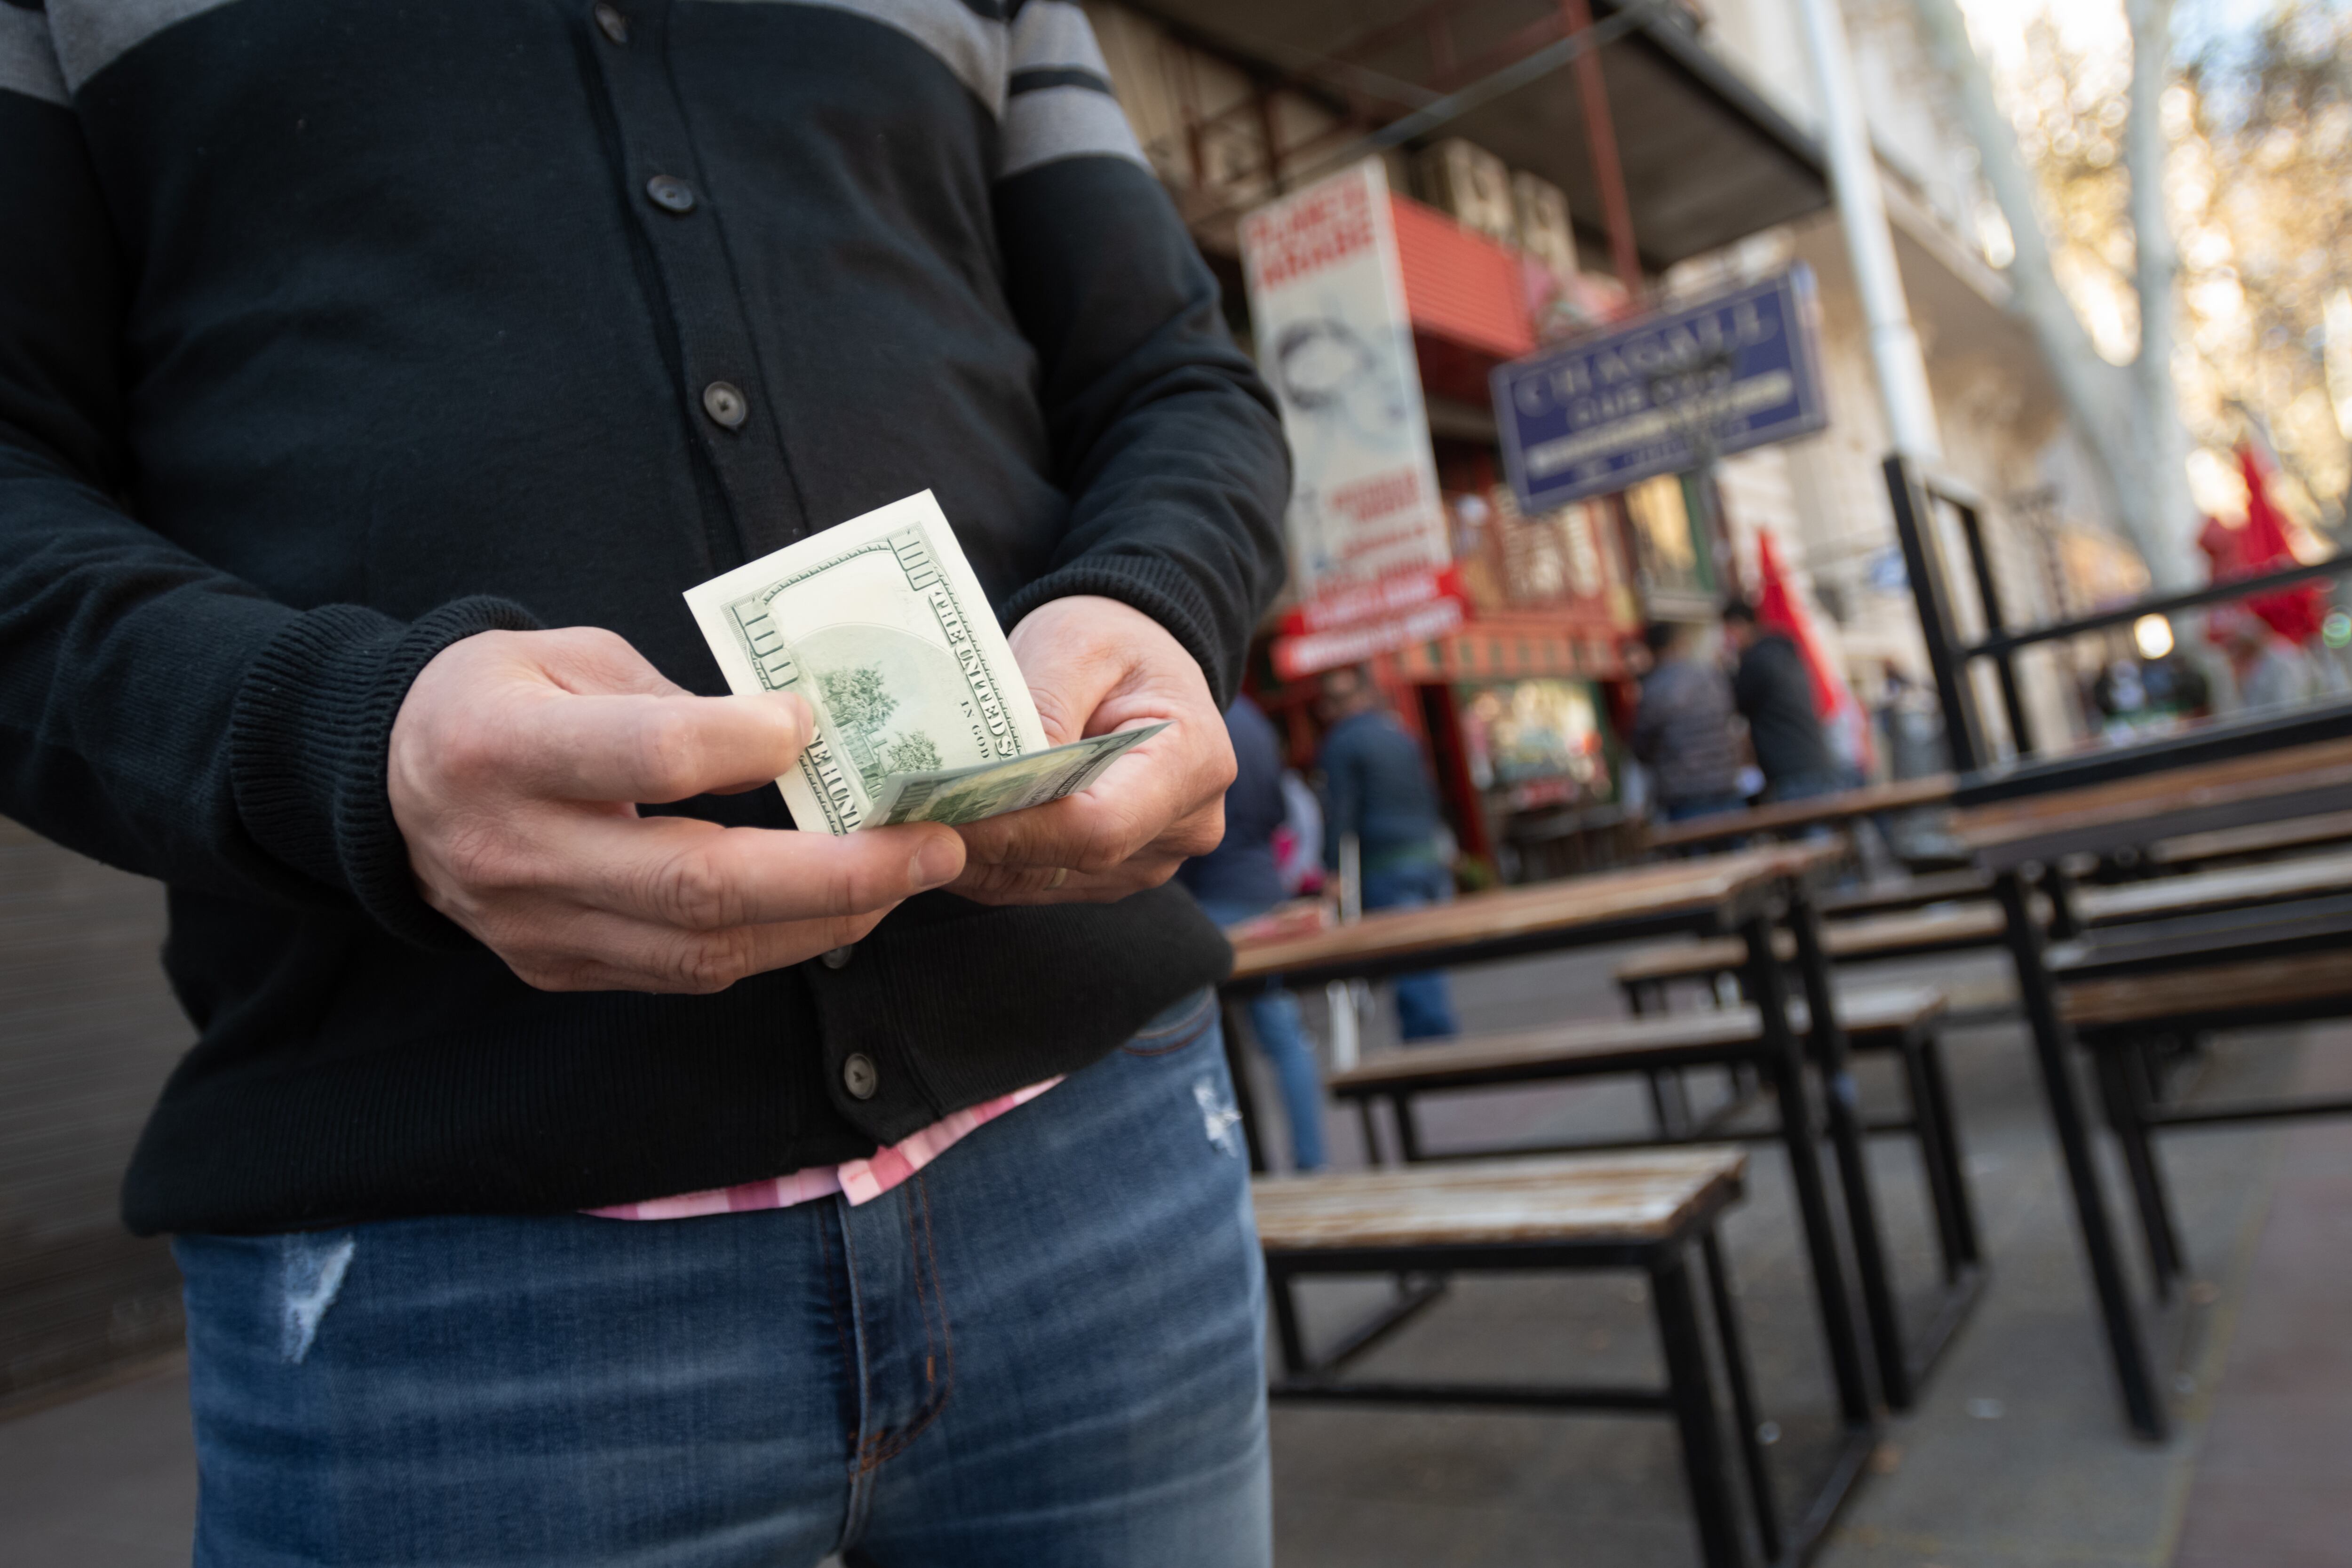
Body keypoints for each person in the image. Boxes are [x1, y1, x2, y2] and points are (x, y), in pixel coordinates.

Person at [0, 9, 1290, 1565]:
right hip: (449, 1308)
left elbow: (1173, 373)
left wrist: (1155, 601)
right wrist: (345, 741)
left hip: (1104, 1176)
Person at [1180, 697, 1327, 1171]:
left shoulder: (1185, 709)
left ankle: (1244, 1172)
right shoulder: (1252, 719)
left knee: (1211, 1046)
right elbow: (1280, 810)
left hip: (1209, 898)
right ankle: (1311, 1164)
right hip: (1261, 885)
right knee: (1284, 1038)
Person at [1316, 667, 1459, 1041]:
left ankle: (1431, 1045)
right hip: (1426, 852)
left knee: (1409, 957)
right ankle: (1429, 1036)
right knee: (1422, 954)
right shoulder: (1398, 733)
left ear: (1332, 704)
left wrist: (1333, 870)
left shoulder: (1342, 742)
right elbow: (1429, 791)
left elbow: (1341, 811)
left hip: (1387, 861)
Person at [1722, 598, 1843, 802]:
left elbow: (1736, 702)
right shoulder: (1783, 654)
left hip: (1789, 768)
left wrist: (1728, 667)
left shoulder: (1758, 660)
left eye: (1728, 632)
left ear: (1740, 625)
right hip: (1813, 760)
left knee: (1809, 831)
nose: (1728, 640)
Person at [1630, 621, 1747, 821]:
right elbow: (1732, 721)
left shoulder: (1655, 688)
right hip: (1726, 786)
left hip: (1684, 795)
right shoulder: (1712, 676)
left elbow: (1642, 747)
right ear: (1680, 643)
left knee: (1695, 851)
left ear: (1652, 651)